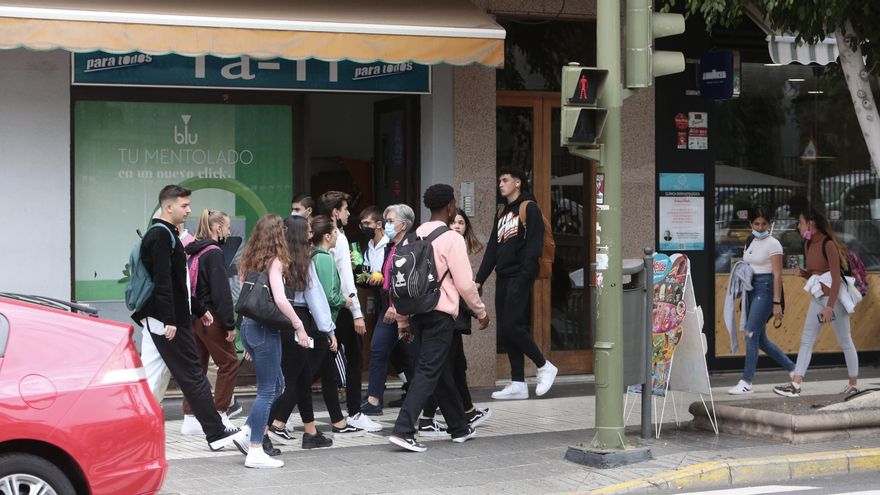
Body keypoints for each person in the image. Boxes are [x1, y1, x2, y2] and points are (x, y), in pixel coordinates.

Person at [130, 185, 243, 454]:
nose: (189, 210)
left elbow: (179, 283)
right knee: (192, 374)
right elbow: (164, 282)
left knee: (152, 376)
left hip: (165, 318)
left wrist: (198, 309)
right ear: (168, 207)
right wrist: (171, 319)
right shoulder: (161, 235)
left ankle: (131, 430)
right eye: (184, 205)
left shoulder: (166, 233)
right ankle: (216, 432)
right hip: (168, 320)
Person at [388, 184, 490, 453]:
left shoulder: (412, 236)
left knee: (440, 370)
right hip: (441, 314)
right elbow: (465, 284)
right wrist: (481, 312)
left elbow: (402, 284)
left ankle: (459, 428)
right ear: (450, 205)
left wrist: (402, 321)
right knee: (428, 371)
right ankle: (403, 430)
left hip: (417, 313)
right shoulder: (452, 239)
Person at [236, 213, 313, 468]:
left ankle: (248, 431)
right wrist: (299, 325)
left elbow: (246, 298)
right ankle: (255, 449)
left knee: (278, 384)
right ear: (278, 235)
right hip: (265, 329)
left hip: (248, 327)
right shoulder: (276, 261)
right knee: (268, 390)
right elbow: (280, 299)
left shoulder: (248, 260)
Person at [475, 167, 557, 400]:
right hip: (503, 276)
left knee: (511, 325)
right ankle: (518, 383)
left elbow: (534, 247)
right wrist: (479, 279)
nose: (500, 184)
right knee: (505, 329)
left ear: (518, 183)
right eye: (499, 180)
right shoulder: (501, 211)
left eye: (505, 180)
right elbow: (492, 248)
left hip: (519, 276)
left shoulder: (529, 208)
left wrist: (524, 277)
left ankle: (544, 366)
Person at [266, 215, 343, 450]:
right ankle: (261, 431)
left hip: (279, 320)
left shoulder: (275, 257)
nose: (311, 233)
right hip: (300, 321)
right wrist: (328, 329)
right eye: (308, 230)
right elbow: (316, 297)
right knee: (289, 381)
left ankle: (310, 432)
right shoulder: (302, 261)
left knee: (302, 378)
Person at [774, 208, 860, 397]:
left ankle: (853, 384)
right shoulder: (807, 244)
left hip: (833, 300)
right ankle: (796, 384)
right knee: (806, 340)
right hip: (818, 297)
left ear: (810, 223)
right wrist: (804, 274)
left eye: (800, 222)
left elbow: (836, 279)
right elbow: (816, 275)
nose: (798, 226)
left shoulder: (828, 244)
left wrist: (830, 307)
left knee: (845, 340)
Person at [316, 191, 381, 433]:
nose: (348, 213)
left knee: (320, 362)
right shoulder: (338, 238)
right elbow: (346, 279)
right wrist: (357, 314)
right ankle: (354, 412)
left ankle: (281, 415)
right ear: (336, 212)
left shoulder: (319, 235)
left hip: (323, 307)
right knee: (354, 359)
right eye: (345, 209)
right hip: (341, 307)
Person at [298, 214, 364, 442]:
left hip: (320, 324)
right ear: (326, 236)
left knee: (327, 373)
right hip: (322, 324)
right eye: (335, 232)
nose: (337, 235)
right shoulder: (324, 258)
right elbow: (326, 296)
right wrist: (345, 301)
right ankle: (275, 421)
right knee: (303, 377)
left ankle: (338, 421)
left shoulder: (312, 256)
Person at [180, 209, 240, 434]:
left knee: (197, 367)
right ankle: (221, 414)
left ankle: (190, 418)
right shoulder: (214, 252)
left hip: (194, 317)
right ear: (217, 228)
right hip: (211, 318)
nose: (229, 231)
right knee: (229, 363)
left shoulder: (194, 251)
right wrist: (229, 324)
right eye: (227, 227)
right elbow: (221, 292)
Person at [726, 207, 795, 395]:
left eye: (764, 223)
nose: (760, 227)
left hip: (765, 288)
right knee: (760, 339)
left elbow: (778, 275)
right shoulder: (750, 240)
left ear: (769, 224)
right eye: (756, 223)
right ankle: (793, 369)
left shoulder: (774, 244)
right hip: (750, 288)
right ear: (750, 224)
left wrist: (777, 303)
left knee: (750, 334)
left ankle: (746, 381)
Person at [363, 204, 414, 415]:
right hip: (388, 307)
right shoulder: (389, 248)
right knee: (378, 349)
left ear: (404, 225)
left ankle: (428, 399)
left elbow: (410, 281)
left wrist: (397, 306)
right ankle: (374, 401)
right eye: (386, 221)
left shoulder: (412, 247)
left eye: (391, 221)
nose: (387, 226)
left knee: (416, 355)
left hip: (405, 309)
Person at [449, 208, 492, 426]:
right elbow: (462, 287)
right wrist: (479, 311)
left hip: (454, 318)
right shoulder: (451, 249)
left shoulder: (460, 249)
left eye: (461, 223)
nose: (457, 226)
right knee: (448, 368)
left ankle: (467, 411)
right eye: (453, 222)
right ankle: (428, 417)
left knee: (456, 366)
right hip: (450, 317)